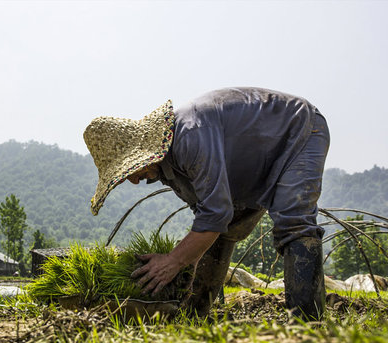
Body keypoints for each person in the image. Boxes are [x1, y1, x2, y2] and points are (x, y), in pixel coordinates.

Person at [83, 87, 330, 320]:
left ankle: (308, 322)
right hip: (253, 165)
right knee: (222, 232)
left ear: (143, 154)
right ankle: (193, 315)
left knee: (294, 221)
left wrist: (173, 260)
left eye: (130, 171)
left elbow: (215, 213)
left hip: (297, 131)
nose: (133, 181)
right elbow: (209, 217)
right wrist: (187, 259)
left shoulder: (189, 137)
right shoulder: (169, 168)